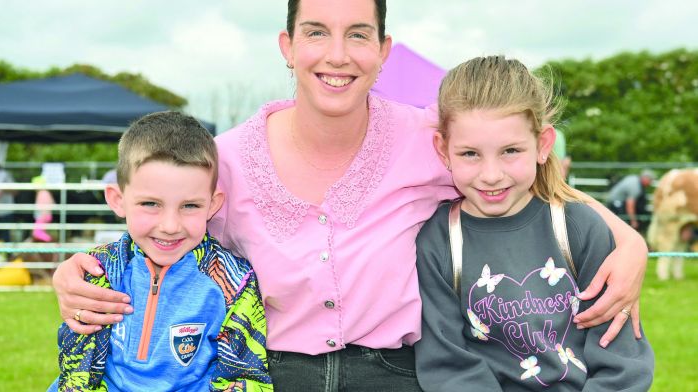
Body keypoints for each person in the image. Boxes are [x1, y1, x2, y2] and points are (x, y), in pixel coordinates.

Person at [52, 1, 650, 390]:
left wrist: (628, 241)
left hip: (397, 374)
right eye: (316, 32)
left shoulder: (431, 140)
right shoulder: (225, 159)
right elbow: (159, 221)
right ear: (287, 45)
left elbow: (536, 187)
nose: (337, 54)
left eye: (358, 34)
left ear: (384, 51)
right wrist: (73, 273)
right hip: (272, 374)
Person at [414, 56, 654, 391]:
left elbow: (621, 363)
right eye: (470, 154)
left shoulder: (579, 227)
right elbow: (449, 365)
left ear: (542, 145)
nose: (492, 175)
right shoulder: (438, 241)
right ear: (443, 150)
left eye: (510, 150)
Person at [49, 111, 271, 391]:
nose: (169, 226)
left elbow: (244, 374)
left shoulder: (234, 282)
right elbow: (78, 366)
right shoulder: (99, 271)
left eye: (190, 206)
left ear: (213, 205)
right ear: (118, 200)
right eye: (150, 204)